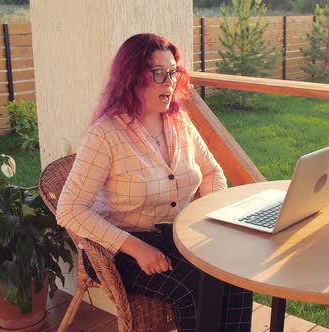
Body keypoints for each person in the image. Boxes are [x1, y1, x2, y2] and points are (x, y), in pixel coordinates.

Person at [56, 33, 253, 331]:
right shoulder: (105, 135)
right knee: (194, 287)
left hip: (178, 235)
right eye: (158, 73)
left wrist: (212, 220)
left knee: (235, 273)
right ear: (131, 78)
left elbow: (212, 172)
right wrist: (136, 248)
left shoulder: (179, 121)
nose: (169, 82)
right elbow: (70, 209)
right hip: (121, 247)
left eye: (173, 72)